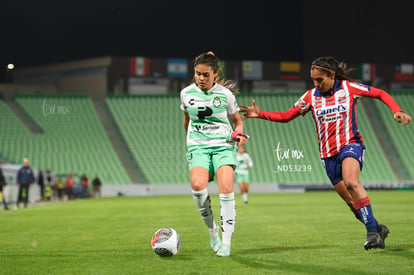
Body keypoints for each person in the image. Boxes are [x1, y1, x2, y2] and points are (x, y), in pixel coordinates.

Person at [240, 56, 411, 250]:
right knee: (351, 203)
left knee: (351, 182)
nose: (316, 84)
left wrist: (396, 110)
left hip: (350, 145)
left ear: (331, 75)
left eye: (320, 79)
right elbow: (287, 116)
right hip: (327, 156)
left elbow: (380, 93)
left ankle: (372, 234)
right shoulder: (310, 97)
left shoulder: (349, 88)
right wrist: (260, 113)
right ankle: (378, 228)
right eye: (313, 80)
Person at [180, 51, 249, 257]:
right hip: (198, 146)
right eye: (198, 74)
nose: (201, 78)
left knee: (226, 187)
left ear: (215, 74)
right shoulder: (186, 93)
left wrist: (238, 133)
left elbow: (237, 120)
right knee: (197, 186)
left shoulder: (225, 95)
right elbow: (187, 119)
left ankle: (226, 242)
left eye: (205, 75)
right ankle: (212, 230)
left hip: (223, 145)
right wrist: (190, 143)